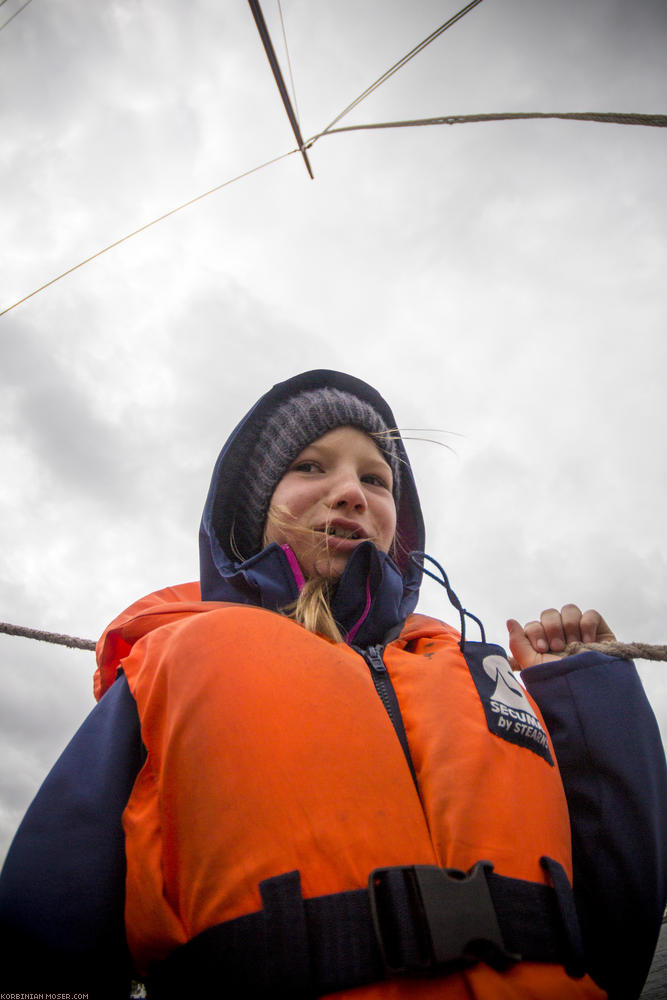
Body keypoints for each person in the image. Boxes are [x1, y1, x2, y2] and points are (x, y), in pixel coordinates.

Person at [1, 369, 665, 1000]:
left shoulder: (474, 670)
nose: (351, 491)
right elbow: (48, 920)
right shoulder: (174, 660)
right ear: (248, 511)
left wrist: (586, 694)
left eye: (375, 479)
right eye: (310, 466)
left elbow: (614, 909)